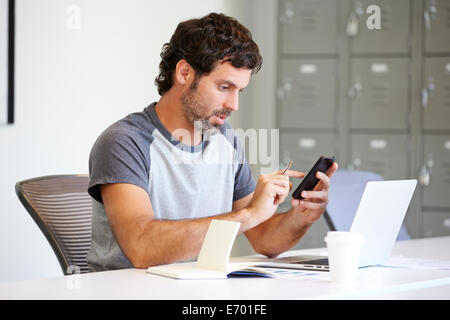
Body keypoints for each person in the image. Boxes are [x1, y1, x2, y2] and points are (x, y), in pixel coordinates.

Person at [86, 12, 338, 272]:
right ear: (184, 73)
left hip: (196, 289)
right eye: (224, 87)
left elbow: (263, 238)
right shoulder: (124, 142)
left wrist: (301, 217)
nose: (234, 105)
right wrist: (248, 215)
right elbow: (142, 247)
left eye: (239, 91)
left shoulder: (225, 139)